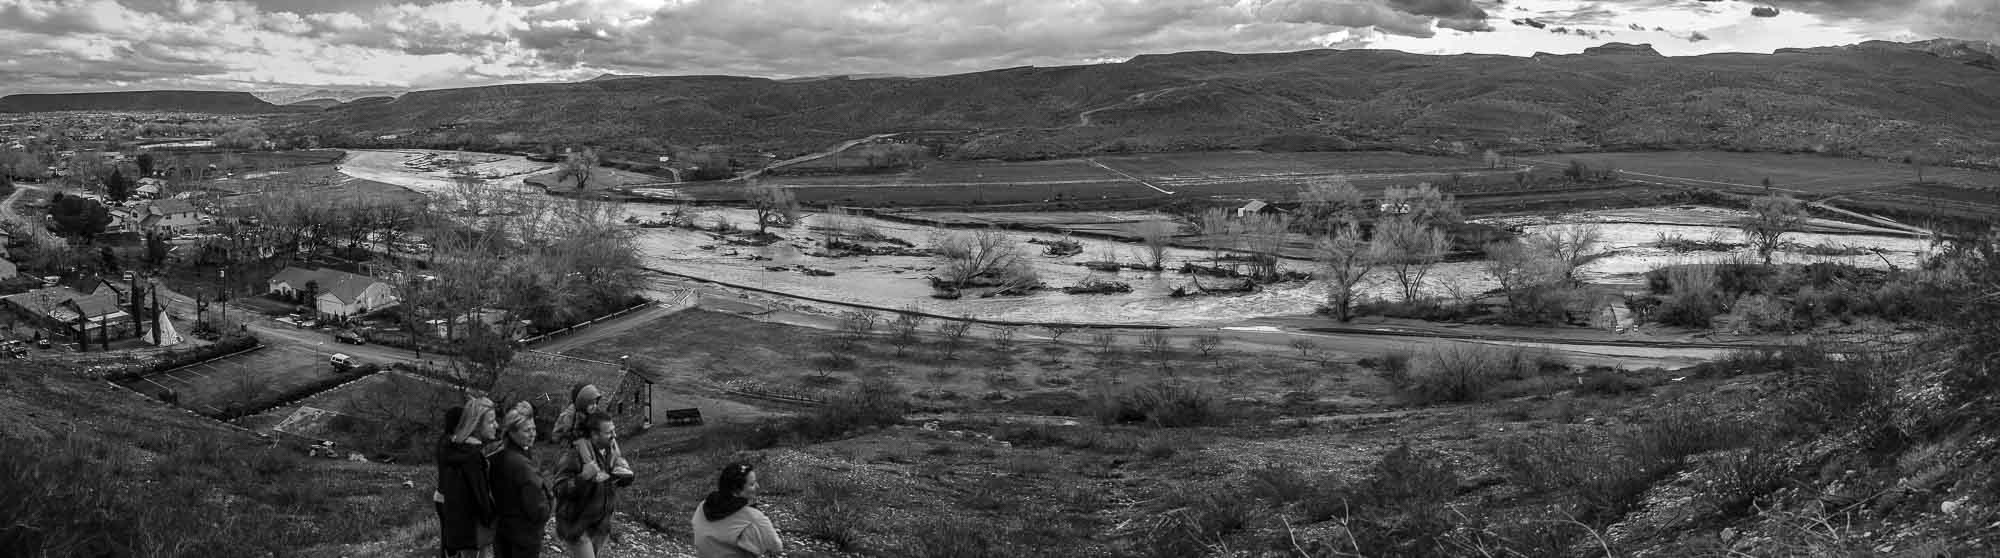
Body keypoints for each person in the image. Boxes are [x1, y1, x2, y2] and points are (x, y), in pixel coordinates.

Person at [554, 413, 632, 558]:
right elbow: (559, 489)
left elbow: (612, 482)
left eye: (614, 430)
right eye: (609, 432)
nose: (614, 435)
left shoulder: (611, 452)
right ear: (594, 434)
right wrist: (583, 478)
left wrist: (625, 478)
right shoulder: (574, 455)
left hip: (600, 527)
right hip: (577, 527)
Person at [439, 396, 499, 558]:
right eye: (491, 421)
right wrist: (492, 518)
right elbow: (480, 496)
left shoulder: (456, 449)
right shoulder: (472, 457)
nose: (496, 425)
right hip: (473, 527)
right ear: (477, 425)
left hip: (459, 525)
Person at [489, 401, 551, 558]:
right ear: (512, 432)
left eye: (534, 429)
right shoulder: (522, 465)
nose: (533, 434)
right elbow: (538, 507)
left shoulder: (496, 456)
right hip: (524, 536)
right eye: (527, 430)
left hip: (502, 531)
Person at [691, 462, 783, 558]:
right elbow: (776, 546)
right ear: (736, 490)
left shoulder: (702, 506)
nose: (757, 486)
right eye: (751, 484)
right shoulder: (753, 518)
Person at [553, 384, 630, 482]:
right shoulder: (571, 415)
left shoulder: (593, 411)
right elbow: (564, 432)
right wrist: (578, 434)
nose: (594, 406)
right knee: (582, 443)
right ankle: (593, 470)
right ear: (582, 403)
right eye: (591, 403)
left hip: (586, 435)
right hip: (574, 439)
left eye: (595, 403)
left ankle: (617, 464)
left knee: (610, 438)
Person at [433, 406, 464, 558]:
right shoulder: (450, 443)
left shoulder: (445, 440)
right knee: (451, 545)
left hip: (443, 498)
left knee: (449, 541)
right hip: (447, 500)